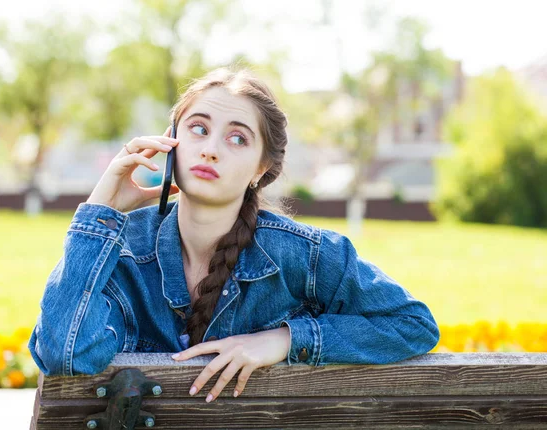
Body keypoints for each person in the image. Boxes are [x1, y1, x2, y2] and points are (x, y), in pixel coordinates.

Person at [28, 66, 440, 403]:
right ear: (170, 144)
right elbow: (65, 350)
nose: (210, 149)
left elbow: (413, 324)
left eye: (237, 138)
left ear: (262, 168)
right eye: (198, 129)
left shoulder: (303, 255)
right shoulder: (123, 250)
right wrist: (101, 212)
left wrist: (283, 340)